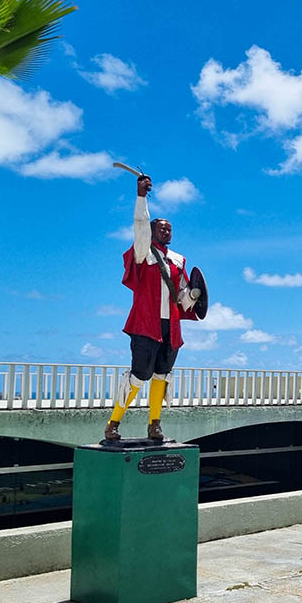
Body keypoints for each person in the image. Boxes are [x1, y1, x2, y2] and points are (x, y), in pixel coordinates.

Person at [104, 174, 202, 442]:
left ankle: (154, 424)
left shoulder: (179, 260)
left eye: (170, 229)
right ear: (153, 230)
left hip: (170, 326)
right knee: (138, 375)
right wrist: (141, 197)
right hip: (146, 324)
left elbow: (182, 295)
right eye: (161, 228)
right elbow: (139, 224)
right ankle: (113, 423)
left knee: (163, 375)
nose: (166, 232)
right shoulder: (143, 251)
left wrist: (193, 297)